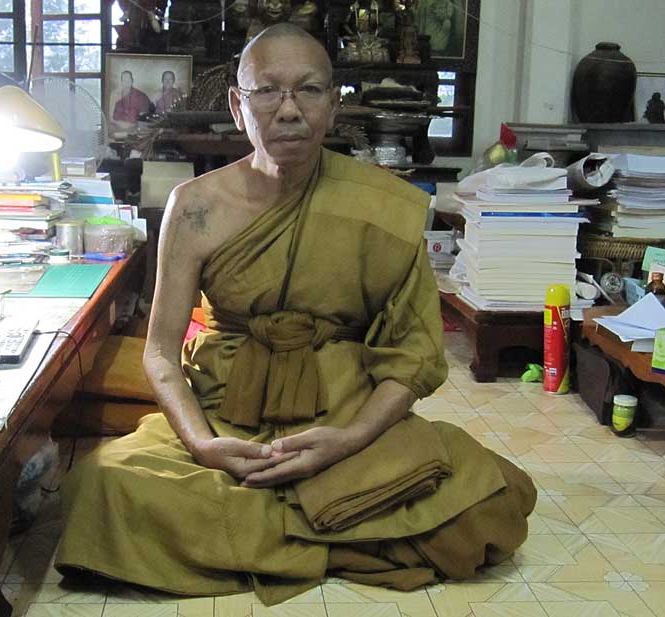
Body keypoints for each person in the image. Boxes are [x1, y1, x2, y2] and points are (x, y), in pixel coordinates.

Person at [56, 24, 536, 605]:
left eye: (308, 90)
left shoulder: (382, 205)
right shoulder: (196, 205)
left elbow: (413, 357)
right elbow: (159, 352)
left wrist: (350, 438)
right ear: (237, 105)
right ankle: (336, 535)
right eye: (267, 91)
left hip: (343, 413)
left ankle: (253, 536)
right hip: (226, 413)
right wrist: (202, 445)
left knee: (493, 502)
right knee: (102, 485)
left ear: (333, 105)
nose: (288, 110)